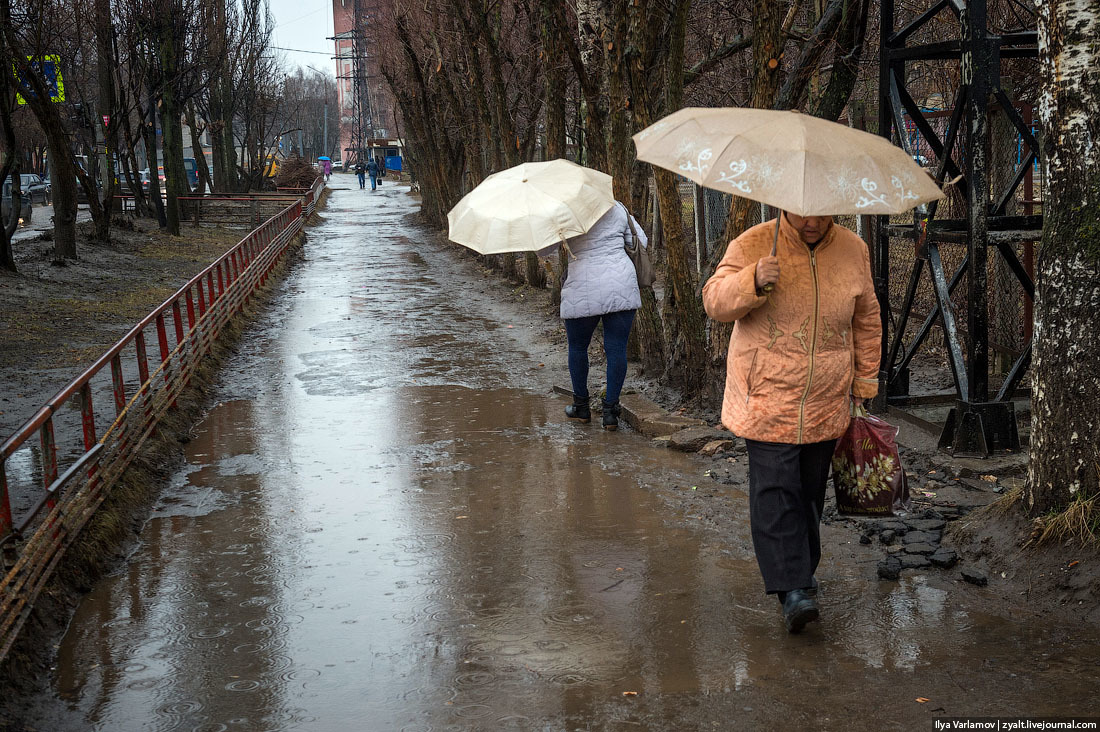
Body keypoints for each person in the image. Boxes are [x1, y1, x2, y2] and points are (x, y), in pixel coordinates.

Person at [701, 212, 880, 634]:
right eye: (803, 214)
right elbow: (714, 301)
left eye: (821, 214)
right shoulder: (755, 242)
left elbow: (866, 320)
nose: (812, 222)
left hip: (826, 397)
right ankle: (792, 589)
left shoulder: (854, 249)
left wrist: (865, 381)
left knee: (810, 491)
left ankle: (800, 569)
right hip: (766, 395)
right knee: (776, 488)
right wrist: (752, 280)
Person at [559, 202, 647, 431]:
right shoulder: (617, 208)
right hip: (620, 284)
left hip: (582, 287)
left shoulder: (562, 213)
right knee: (616, 348)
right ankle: (610, 413)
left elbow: (543, 250)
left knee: (578, 347)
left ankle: (581, 408)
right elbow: (642, 241)